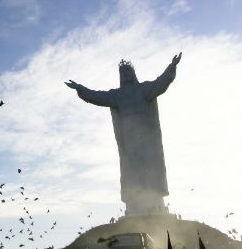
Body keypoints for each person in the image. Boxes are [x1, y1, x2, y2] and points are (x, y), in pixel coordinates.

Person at [66, 53, 182, 215]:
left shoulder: (144, 89)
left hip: (147, 137)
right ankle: (135, 202)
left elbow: (160, 83)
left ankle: (154, 203)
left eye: (128, 70)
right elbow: (97, 96)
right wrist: (80, 88)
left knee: (150, 166)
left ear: (133, 73)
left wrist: (171, 67)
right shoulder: (117, 95)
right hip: (129, 138)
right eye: (123, 72)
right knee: (132, 168)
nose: (126, 74)